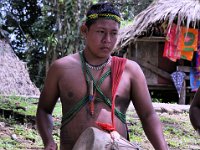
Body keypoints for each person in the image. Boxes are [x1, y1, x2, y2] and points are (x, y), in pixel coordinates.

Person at [36, 2, 168, 150]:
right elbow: (44, 110)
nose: (107, 40)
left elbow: (148, 115)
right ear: (84, 30)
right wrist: (48, 141)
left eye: (113, 33)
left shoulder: (130, 71)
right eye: (100, 32)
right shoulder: (61, 68)